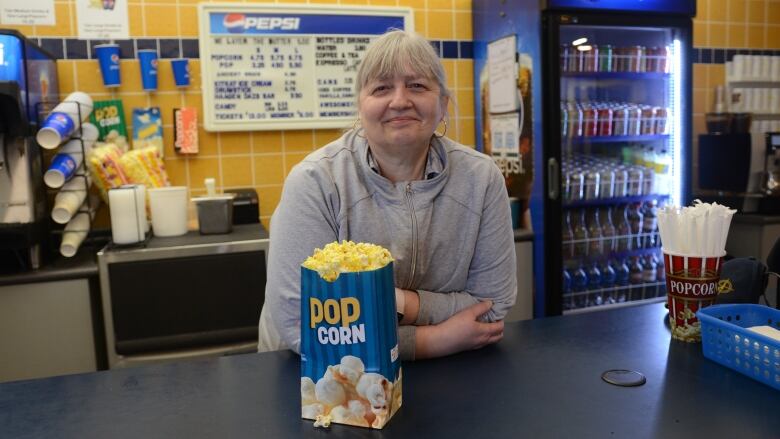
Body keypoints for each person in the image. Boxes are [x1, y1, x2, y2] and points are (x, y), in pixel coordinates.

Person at [258, 30, 517, 360]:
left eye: (417, 86)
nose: (399, 101)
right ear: (361, 107)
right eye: (381, 88)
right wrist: (433, 340)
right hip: (317, 377)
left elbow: (491, 306)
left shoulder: (481, 178)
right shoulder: (315, 182)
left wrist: (402, 304)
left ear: (443, 105)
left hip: (450, 377)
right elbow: (302, 324)